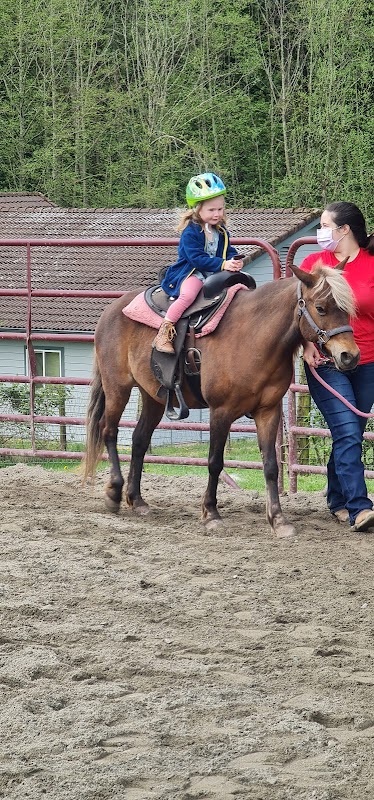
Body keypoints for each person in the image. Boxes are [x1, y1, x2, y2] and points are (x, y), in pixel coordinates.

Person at [301, 201, 374, 532]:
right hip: (327, 361)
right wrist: (305, 346)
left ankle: (337, 498)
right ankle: (360, 507)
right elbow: (296, 314)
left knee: (351, 434)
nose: (320, 233)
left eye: (324, 225)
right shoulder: (313, 265)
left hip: (369, 361)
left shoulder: (372, 265)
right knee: (346, 432)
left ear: (344, 230)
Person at [153, 172, 243, 354]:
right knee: (188, 295)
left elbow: (227, 251)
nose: (217, 214)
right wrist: (223, 264)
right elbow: (197, 259)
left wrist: (234, 260)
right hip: (192, 273)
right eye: (211, 210)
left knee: (240, 290)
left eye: (220, 209)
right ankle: (164, 331)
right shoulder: (190, 232)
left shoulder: (221, 231)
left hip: (214, 274)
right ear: (197, 209)